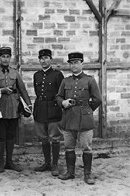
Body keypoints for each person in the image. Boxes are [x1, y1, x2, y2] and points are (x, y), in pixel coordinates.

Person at [56, 52, 102, 185]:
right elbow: (58, 96)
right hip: (68, 118)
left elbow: (98, 99)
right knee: (69, 147)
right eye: (71, 63)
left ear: (82, 64)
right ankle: (70, 173)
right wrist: (63, 103)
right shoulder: (66, 81)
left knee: (86, 148)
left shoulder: (90, 80)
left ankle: (87, 174)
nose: (74, 65)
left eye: (76, 62)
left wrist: (87, 110)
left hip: (84, 121)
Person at [0, 47, 32, 173]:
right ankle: (0, 162)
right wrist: (1, 90)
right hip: (0, 108)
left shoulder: (15, 72)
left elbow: (22, 89)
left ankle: (9, 161)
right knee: (1, 136)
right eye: (3, 56)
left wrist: (29, 105)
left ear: (10, 58)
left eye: (7, 57)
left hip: (14, 108)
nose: (5, 59)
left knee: (11, 136)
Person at [33, 49, 64, 176]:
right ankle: (47, 163)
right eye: (41, 58)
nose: (43, 60)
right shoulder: (37, 75)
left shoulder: (57, 74)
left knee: (55, 137)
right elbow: (37, 91)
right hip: (40, 109)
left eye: (46, 58)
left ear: (51, 59)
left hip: (53, 108)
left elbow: (61, 93)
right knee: (43, 138)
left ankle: (55, 164)